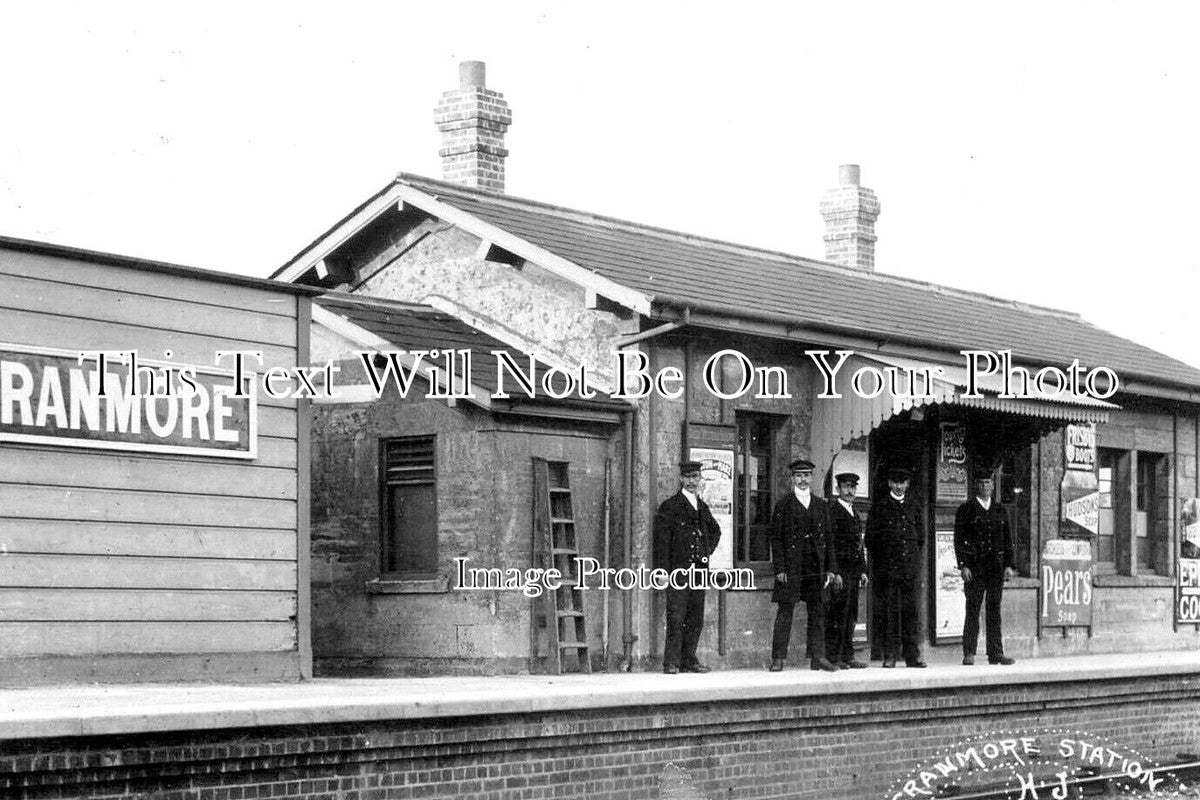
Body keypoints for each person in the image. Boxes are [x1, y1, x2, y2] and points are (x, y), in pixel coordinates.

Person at [769, 458, 840, 672]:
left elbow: (829, 539)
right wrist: (779, 568)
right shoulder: (783, 505)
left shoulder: (821, 505)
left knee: (818, 613)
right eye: (799, 475)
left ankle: (818, 658)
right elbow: (776, 539)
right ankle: (778, 658)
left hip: (815, 567)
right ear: (792, 478)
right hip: (791, 568)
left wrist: (831, 568)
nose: (803, 480)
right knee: (785, 612)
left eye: (807, 475)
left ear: (811, 478)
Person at [653, 460, 722, 674]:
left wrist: (705, 552)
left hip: (698, 573)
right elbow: (661, 542)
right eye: (689, 477)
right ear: (681, 479)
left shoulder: (702, 507)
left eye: (696, 477)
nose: (693, 482)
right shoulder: (670, 506)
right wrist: (662, 571)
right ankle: (671, 662)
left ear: (700, 479)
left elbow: (716, 531)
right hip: (678, 573)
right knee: (676, 617)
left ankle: (689, 659)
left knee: (695, 617)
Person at [865, 466, 926, 668]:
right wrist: (884, 560)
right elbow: (871, 540)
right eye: (896, 482)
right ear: (890, 483)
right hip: (888, 569)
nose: (899, 486)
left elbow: (920, 537)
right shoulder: (880, 506)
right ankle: (890, 655)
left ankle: (912, 656)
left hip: (909, 568)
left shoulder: (914, 505)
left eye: (903, 482)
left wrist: (909, 559)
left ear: (908, 484)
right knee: (890, 613)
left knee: (911, 612)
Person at [954, 472, 1016, 666]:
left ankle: (996, 653)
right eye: (980, 483)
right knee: (972, 608)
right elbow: (959, 540)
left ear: (992, 486)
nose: (983, 486)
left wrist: (1009, 565)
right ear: (975, 486)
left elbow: (1008, 540)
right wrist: (963, 565)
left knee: (994, 610)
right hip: (975, 568)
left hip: (995, 568)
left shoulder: (1000, 510)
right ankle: (969, 652)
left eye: (987, 483)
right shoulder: (966, 509)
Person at [826, 472, 869, 669]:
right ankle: (835, 657)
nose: (850, 491)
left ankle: (848, 655)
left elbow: (858, 545)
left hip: (853, 572)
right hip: (841, 573)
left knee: (851, 613)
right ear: (838, 490)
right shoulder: (833, 511)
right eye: (846, 487)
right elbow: (831, 545)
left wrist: (863, 570)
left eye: (853, 487)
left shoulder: (854, 513)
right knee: (838, 614)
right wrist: (835, 572)